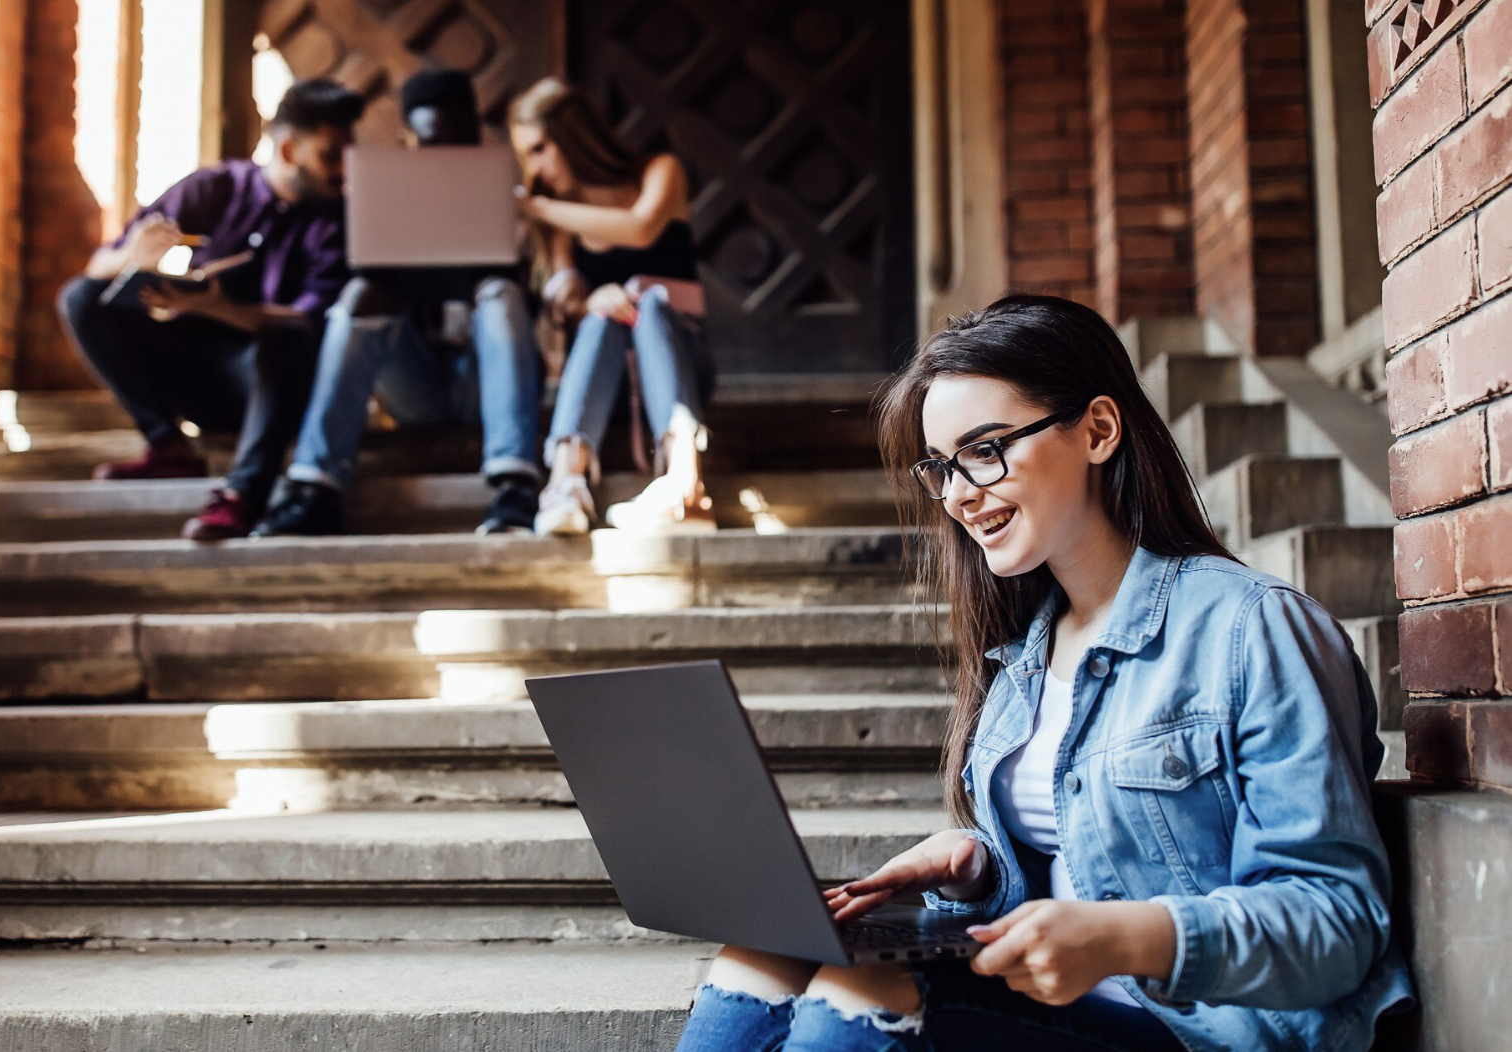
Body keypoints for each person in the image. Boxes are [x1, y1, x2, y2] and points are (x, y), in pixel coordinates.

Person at [674, 295, 1414, 1052]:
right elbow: (1089, 853)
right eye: (942, 467)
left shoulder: (1251, 627)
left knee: (865, 985)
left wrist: (1131, 937)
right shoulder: (1025, 652)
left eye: (986, 449)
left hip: (1206, 1031)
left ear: (1098, 430)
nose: (960, 493)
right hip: (1066, 1014)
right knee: (762, 954)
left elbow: (1338, 921)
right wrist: (978, 869)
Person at [58, 79, 363, 540]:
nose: (343, 171)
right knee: (82, 297)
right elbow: (98, 265)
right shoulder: (214, 188)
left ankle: (243, 495)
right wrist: (134, 260)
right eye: (331, 155)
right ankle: (167, 446)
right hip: (191, 371)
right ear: (286, 151)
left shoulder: (339, 221)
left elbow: (308, 320)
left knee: (287, 336)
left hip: (274, 387)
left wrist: (218, 307)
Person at [253, 67, 544, 537]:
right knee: (360, 294)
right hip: (416, 385)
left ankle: (515, 486)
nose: (442, 157)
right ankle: (316, 488)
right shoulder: (377, 202)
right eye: (431, 145)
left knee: (500, 292)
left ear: (474, 138)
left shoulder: (518, 204)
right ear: (410, 140)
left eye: (455, 144)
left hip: (484, 382)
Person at [508, 77, 715, 536]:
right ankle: (566, 480)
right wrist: (590, 298)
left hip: (681, 367)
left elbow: (640, 228)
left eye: (540, 148)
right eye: (527, 155)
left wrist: (537, 210)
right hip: (609, 383)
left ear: (575, 137)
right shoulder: (562, 218)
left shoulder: (660, 171)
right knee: (604, 316)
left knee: (652, 306)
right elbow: (570, 299)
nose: (535, 168)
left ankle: (687, 484)